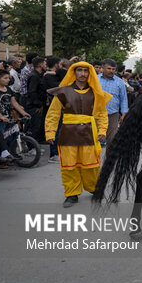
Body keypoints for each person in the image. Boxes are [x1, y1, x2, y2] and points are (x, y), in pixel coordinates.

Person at [45, 62, 111, 207]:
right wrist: (50, 132)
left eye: (85, 71)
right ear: (73, 73)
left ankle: (94, 189)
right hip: (68, 133)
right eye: (79, 70)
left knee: (91, 165)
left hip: (89, 132)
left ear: (90, 73)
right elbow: (53, 113)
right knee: (69, 165)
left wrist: (102, 130)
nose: (82, 74)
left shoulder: (95, 93)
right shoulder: (62, 91)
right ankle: (71, 194)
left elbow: (101, 114)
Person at [0, 69, 30, 163]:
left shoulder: (8, 89)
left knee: (7, 140)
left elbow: (14, 103)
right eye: (5, 78)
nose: (8, 80)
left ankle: (6, 158)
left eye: (8, 78)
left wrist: (22, 112)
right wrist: (1, 116)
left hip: (8, 119)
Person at [98, 59, 129, 145]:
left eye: (113, 69)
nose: (111, 71)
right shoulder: (95, 79)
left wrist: (124, 113)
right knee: (94, 139)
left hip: (113, 115)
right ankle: (94, 159)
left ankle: (109, 158)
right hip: (97, 115)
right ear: (103, 68)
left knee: (112, 140)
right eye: (109, 68)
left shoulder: (119, 82)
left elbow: (123, 98)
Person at [25, 56, 47, 143]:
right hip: (34, 107)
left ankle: (36, 144)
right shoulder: (34, 76)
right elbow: (32, 92)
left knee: (38, 126)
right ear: (40, 65)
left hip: (39, 104)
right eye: (45, 63)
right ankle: (31, 147)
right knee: (34, 126)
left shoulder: (40, 75)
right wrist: (38, 105)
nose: (46, 65)